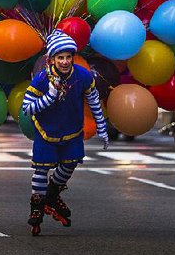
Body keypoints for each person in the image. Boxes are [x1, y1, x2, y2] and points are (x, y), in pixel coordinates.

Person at [21, 29, 109, 236]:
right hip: (46, 131)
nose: (65, 61)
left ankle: (52, 194)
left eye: (68, 57)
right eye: (60, 57)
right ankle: (37, 207)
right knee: (41, 170)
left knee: (70, 164)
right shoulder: (42, 79)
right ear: (52, 59)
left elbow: (94, 100)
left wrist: (102, 126)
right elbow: (27, 108)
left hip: (71, 130)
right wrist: (49, 97)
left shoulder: (82, 75)